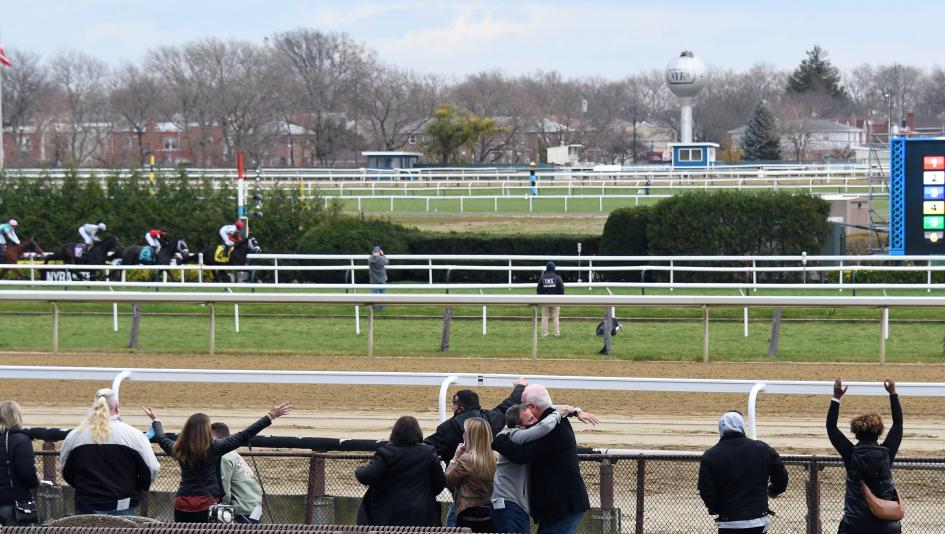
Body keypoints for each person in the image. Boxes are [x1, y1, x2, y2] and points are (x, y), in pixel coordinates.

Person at [145, 401, 292, 523]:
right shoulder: (215, 448)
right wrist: (270, 416)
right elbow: (244, 435)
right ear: (206, 431)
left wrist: (156, 421)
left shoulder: (178, 449)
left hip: (182, 504)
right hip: (207, 505)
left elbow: (162, 438)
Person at [426, 379, 526, 527]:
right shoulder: (491, 420)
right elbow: (508, 404)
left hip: (463, 501)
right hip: (489, 501)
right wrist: (520, 387)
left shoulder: (447, 429)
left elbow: (426, 448)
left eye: (453, 403)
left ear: (460, 408)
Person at [492, 384, 590, 534]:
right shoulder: (552, 421)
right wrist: (573, 410)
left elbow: (521, 455)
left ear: (531, 407)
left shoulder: (551, 427)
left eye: (525, 407)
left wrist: (500, 440)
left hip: (561, 505)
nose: (523, 410)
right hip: (562, 504)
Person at [59, 389, 160, 516]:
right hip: (123, 506)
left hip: (86, 506)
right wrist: (137, 488)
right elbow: (152, 468)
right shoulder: (134, 436)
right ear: (117, 407)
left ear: (95, 406)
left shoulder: (74, 436)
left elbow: (65, 470)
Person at [827, 377, 903, 534]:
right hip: (886, 525)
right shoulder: (887, 452)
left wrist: (836, 397)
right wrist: (893, 393)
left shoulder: (850, 453)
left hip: (854, 525)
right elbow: (898, 424)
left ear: (856, 433)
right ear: (879, 432)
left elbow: (831, 427)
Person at [698, 410, 788, 533]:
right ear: (741, 427)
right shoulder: (763, 449)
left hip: (728, 522)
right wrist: (772, 491)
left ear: (720, 429)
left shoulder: (710, 455)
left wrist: (715, 508)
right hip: (758, 520)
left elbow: (705, 490)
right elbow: (782, 478)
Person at [355, 416, 445, 527]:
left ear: (395, 433)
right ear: (418, 432)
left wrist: (359, 469)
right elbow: (439, 483)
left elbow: (366, 476)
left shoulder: (386, 453)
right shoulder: (429, 453)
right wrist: (425, 495)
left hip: (389, 514)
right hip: (422, 514)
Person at [445, 417, 496, 532]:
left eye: (465, 431)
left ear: (471, 436)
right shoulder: (496, 456)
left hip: (467, 513)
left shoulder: (467, 459)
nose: (463, 434)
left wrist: (454, 458)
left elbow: (448, 481)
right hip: (489, 512)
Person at [210, 423, 264, 524]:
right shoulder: (233, 453)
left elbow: (224, 491)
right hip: (254, 507)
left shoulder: (223, 457)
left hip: (242, 511)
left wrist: (221, 510)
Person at [0, 400, 40, 526]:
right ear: (16, 416)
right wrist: (35, 483)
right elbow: (27, 473)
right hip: (13, 503)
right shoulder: (20, 440)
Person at [537, 262, 565, 337]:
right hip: (555, 300)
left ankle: (544, 333)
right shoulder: (558, 278)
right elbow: (562, 290)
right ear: (554, 269)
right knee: (555, 316)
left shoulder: (542, 278)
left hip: (544, 300)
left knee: (545, 317)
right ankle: (556, 333)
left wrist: (541, 298)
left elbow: (538, 290)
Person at [368, 245, 388, 311]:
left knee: (373, 294)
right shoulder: (381, 258)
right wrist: (383, 254)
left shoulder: (370, 259)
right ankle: (382, 307)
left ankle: (374, 307)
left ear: (373, 252)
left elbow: (372, 257)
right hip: (382, 278)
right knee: (382, 294)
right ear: (379, 252)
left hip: (373, 279)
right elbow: (387, 261)